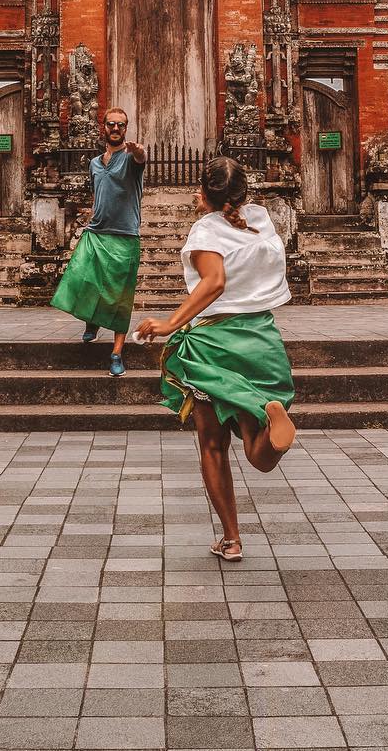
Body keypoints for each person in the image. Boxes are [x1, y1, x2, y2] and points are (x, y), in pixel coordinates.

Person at [136, 156, 295, 560]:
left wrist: (171, 323)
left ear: (206, 192)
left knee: (212, 444)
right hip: (261, 339)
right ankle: (274, 432)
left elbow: (215, 282)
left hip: (216, 345)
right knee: (258, 452)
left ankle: (231, 538)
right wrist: (214, 203)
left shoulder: (206, 229)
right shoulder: (261, 219)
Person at [50, 107, 145, 375]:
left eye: (121, 125)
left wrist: (138, 150)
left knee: (120, 297)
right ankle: (92, 319)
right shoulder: (94, 163)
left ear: (126, 129)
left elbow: (141, 157)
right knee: (80, 278)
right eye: (111, 124)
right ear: (103, 127)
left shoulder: (130, 159)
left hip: (124, 235)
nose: (116, 129)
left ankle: (116, 353)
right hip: (96, 232)